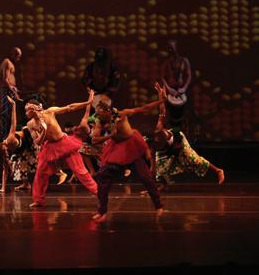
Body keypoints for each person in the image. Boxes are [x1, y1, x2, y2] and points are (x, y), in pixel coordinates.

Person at [92, 83, 166, 221]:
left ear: (108, 111)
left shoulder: (122, 114)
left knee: (145, 177)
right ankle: (102, 211)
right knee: (103, 177)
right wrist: (110, 135)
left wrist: (161, 99)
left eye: (100, 112)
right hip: (116, 148)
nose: (98, 115)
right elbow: (95, 140)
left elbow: (144, 108)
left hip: (132, 147)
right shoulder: (100, 122)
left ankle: (159, 206)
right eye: (97, 113)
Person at [28, 90, 99, 208]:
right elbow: (37, 142)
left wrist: (88, 102)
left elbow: (69, 107)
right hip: (49, 147)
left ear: (34, 109)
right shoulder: (31, 124)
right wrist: (44, 131)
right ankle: (38, 200)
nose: (26, 112)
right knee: (40, 173)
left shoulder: (49, 112)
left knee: (80, 171)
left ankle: (99, 193)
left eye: (28, 109)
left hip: (64, 143)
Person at [150, 97, 224, 190]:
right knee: (159, 166)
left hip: (178, 142)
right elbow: (153, 164)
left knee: (194, 159)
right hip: (167, 149)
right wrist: (151, 181)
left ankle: (218, 170)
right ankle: (164, 185)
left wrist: (161, 97)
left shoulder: (161, 130)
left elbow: (162, 112)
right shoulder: (153, 146)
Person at [160, 40, 193, 129]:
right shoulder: (166, 62)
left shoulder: (184, 61)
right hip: (171, 91)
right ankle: (170, 131)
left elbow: (189, 75)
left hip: (181, 91)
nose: (171, 50)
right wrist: (169, 89)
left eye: (173, 47)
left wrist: (184, 88)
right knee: (170, 114)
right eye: (169, 48)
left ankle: (184, 130)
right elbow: (162, 77)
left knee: (184, 114)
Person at [0, 47, 22, 138]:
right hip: (7, 90)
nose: (18, 59)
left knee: (11, 112)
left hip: (11, 89)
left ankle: (10, 134)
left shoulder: (10, 63)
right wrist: (13, 91)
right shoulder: (7, 62)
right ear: (13, 54)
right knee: (6, 113)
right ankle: (5, 136)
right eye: (17, 56)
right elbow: (5, 79)